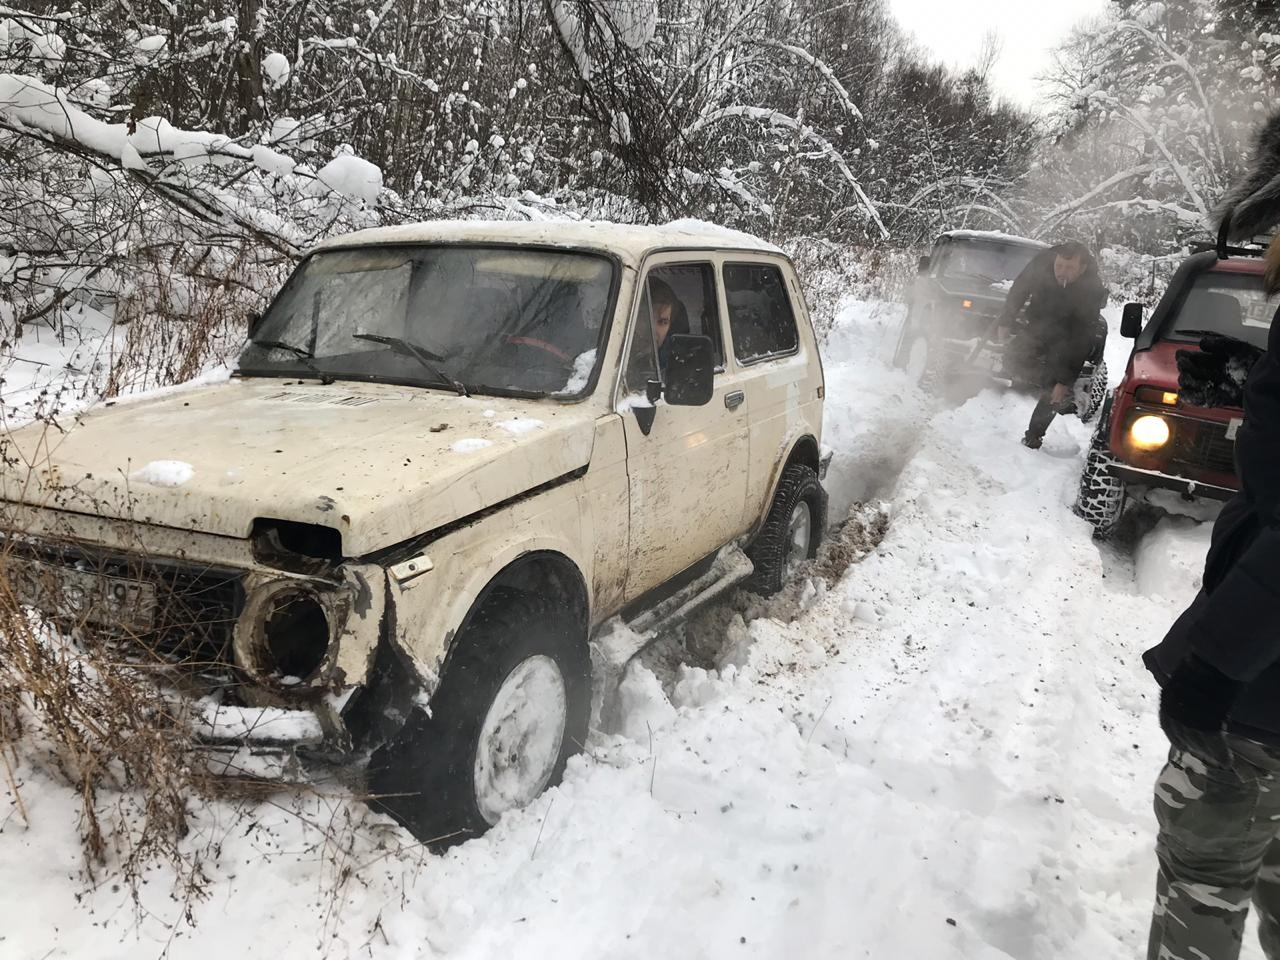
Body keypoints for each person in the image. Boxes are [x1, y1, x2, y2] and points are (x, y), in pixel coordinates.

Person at [1143, 112, 1280, 960]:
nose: (1264, 253)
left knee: (1206, 884)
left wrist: (1215, 662)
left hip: (1260, 701)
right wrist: (1250, 371)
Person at [997, 241, 1108, 449]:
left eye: (1069, 268)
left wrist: (1064, 380)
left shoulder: (1091, 290)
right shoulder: (1043, 262)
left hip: (1067, 334)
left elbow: (1081, 338)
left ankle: (1034, 435)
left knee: (1055, 390)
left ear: (1082, 268)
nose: (1062, 272)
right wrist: (1006, 320)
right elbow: (1020, 288)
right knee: (1012, 357)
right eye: (1059, 266)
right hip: (1038, 323)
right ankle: (1034, 378)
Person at [647, 276, 689, 371]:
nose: (653, 330)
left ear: (670, 325)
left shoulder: (676, 362)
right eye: (648, 319)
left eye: (663, 322)